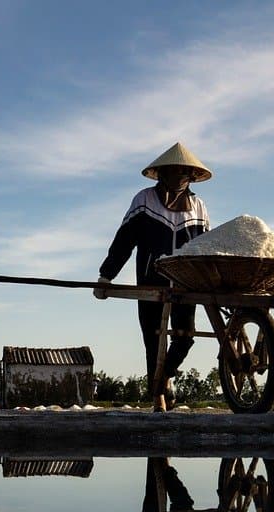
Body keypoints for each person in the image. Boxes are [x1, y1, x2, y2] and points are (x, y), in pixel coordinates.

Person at [97, 142, 211, 412]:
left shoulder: (198, 206)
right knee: (154, 338)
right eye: (173, 172)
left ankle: (166, 377)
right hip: (151, 278)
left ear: (191, 177)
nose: (179, 177)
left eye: (184, 173)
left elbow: (205, 245)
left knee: (184, 337)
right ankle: (157, 396)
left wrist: (209, 279)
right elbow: (124, 240)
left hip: (186, 282)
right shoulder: (144, 200)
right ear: (162, 173)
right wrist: (106, 276)